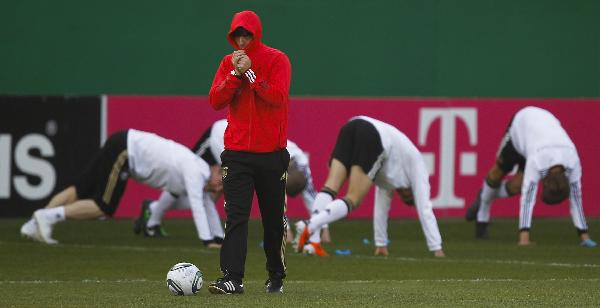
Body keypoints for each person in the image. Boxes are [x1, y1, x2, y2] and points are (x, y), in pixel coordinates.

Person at [206, 10, 292, 294]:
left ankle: (276, 276)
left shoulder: (277, 59)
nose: (241, 41)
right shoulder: (227, 63)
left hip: (271, 154)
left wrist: (251, 73)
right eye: (237, 35)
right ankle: (232, 277)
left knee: (272, 220)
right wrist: (234, 74)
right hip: (237, 154)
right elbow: (215, 100)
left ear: (256, 34)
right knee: (236, 217)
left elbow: (277, 97)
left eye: (246, 34)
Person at [134, 119, 325, 245]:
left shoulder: (300, 165)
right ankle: (155, 215)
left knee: (213, 190)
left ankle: (154, 209)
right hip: (218, 137)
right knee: (192, 182)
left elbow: (312, 197)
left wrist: (322, 229)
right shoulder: (272, 160)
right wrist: (283, 233)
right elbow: (274, 199)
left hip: (237, 146)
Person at [19, 129, 220, 246]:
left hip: (125, 144)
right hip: (126, 151)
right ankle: (46, 217)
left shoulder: (200, 173)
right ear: (214, 169)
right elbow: (198, 206)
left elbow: (204, 204)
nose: (221, 185)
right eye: (222, 177)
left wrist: (218, 238)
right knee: (103, 207)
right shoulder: (197, 171)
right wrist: (207, 241)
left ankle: (33, 224)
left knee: (79, 189)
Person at [294, 116, 445, 258]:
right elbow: (424, 208)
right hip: (373, 135)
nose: (401, 193)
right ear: (412, 191)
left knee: (330, 187)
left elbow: (381, 207)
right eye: (407, 195)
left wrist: (381, 243)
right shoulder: (418, 167)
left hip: (352, 125)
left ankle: (313, 243)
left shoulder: (392, 179)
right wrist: (436, 248)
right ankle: (310, 224)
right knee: (353, 199)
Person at [465, 106, 597, 247]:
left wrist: (584, 236)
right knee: (497, 173)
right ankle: (482, 214)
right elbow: (528, 198)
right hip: (520, 127)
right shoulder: (537, 161)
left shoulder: (573, 162)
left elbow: (576, 198)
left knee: (516, 187)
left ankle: (485, 194)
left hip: (536, 140)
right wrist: (524, 235)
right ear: (544, 182)